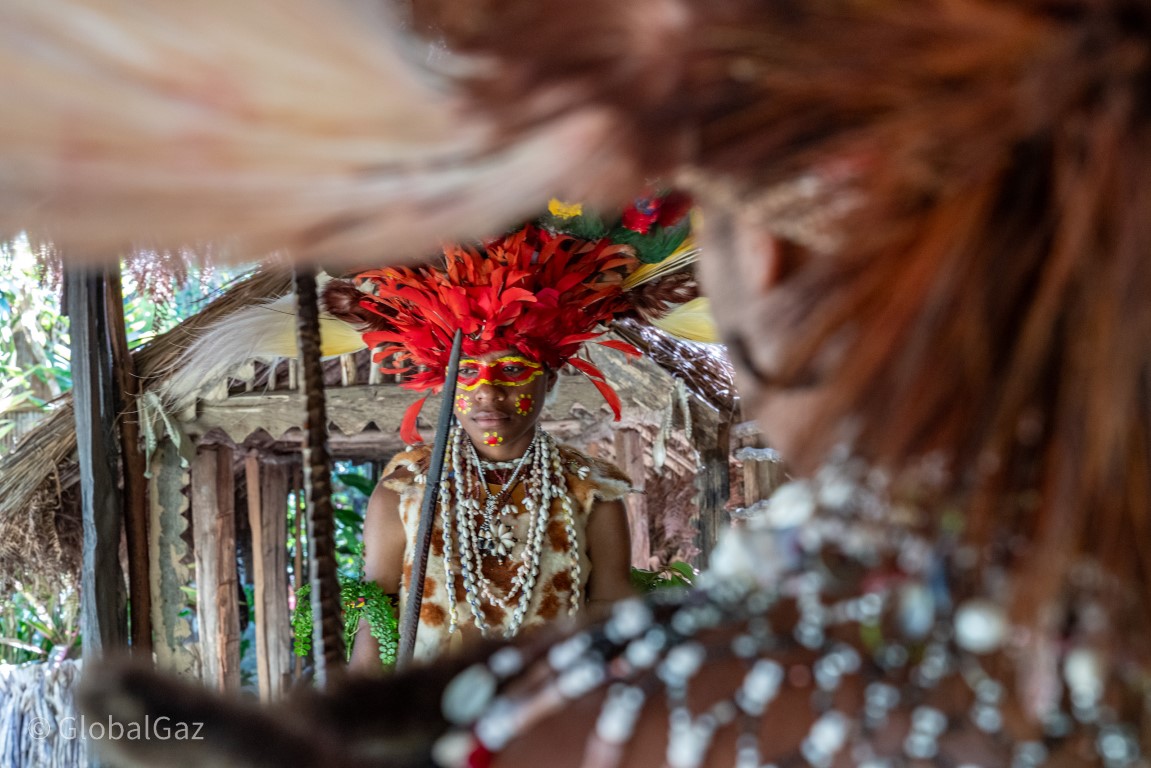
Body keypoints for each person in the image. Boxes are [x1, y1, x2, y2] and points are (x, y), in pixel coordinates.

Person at [68, 1, 1151, 766]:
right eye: (479, 388)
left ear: (763, 254)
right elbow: (376, 616)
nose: (493, 404)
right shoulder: (1112, 646)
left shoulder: (613, 651)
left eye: (515, 386)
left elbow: (612, 619)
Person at [321, 202, 697, 665]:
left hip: (545, 710)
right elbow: (377, 610)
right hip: (429, 709)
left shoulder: (591, 491)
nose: (488, 393)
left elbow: (610, 607)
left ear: (550, 379)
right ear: (446, 383)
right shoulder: (403, 491)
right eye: (469, 375)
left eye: (513, 370)